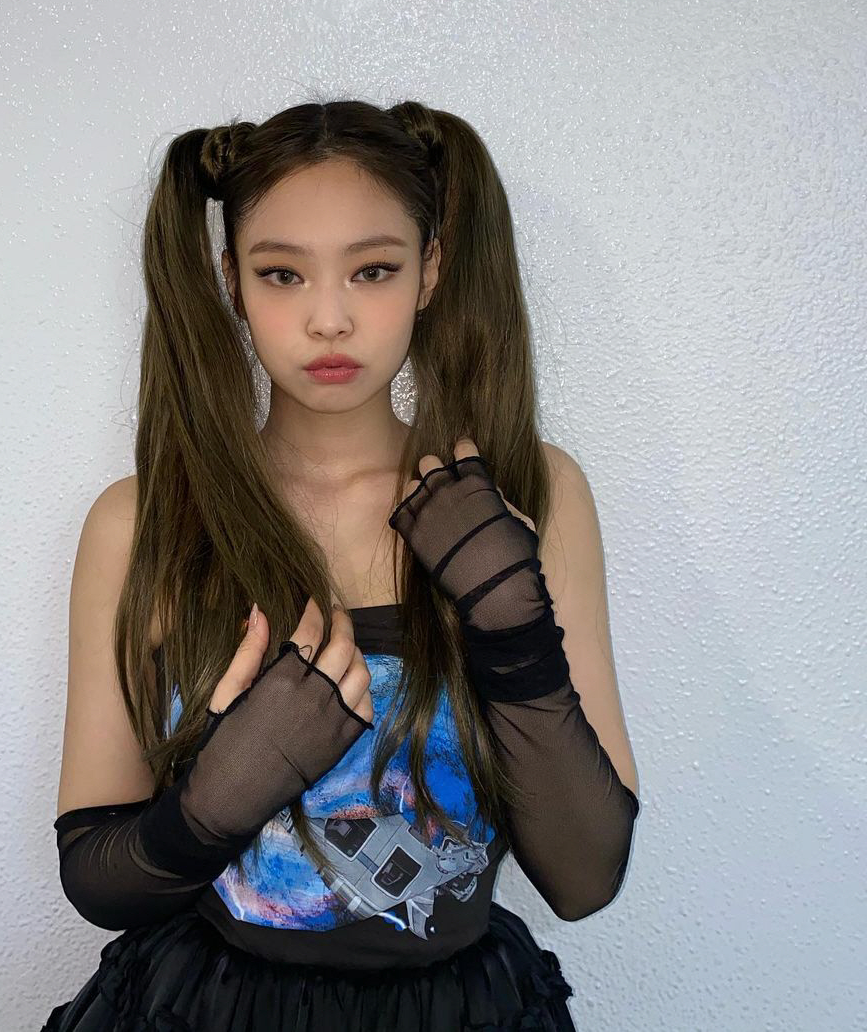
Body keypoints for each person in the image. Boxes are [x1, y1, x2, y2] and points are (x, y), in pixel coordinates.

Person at [40, 100, 641, 1031]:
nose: (329, 318)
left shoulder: (529, 495)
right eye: (282, 273)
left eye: (373, 270)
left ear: (430, 270)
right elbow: (97, 880)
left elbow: (585, 876)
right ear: (231, 282)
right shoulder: (141, 523)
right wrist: (227, 785)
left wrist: (508, 621)